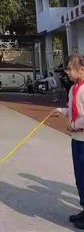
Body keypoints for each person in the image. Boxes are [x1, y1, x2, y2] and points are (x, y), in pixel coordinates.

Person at [56, 55, 84, 229]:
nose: (68, 72)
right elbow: (73, 109)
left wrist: (73, 125)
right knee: (79, 177)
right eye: (67, 69)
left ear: (82, 70)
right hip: (76, 139)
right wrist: (60, 110)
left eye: (70, 69)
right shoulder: (73, 89)